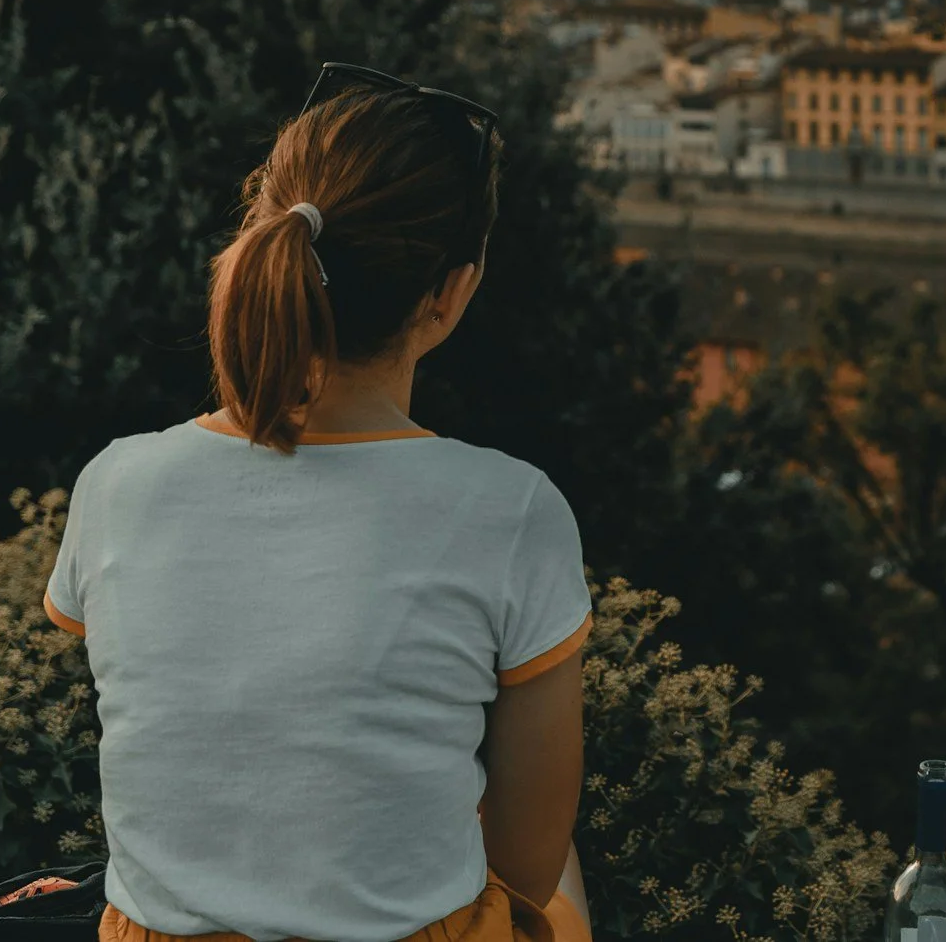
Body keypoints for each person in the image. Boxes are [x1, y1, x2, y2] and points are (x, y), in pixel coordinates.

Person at [43, 65, 595, 942]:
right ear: (451, 291)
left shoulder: (116, 482)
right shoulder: (513, 510)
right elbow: (523, 864)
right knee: (560, 887)